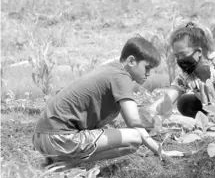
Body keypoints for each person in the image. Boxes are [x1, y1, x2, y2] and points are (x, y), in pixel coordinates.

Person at [32, 36, 183, 169]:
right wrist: (161, 151)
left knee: (130, 138)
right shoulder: (121, 77)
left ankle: (57, 160)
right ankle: (66, 164)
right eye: (147, 67)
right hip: (60, 138)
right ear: (131, 61)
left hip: (42, 138)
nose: (148, 74)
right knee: (134, 139)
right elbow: (135, 124)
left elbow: (131, 117)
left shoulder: (111, 70)